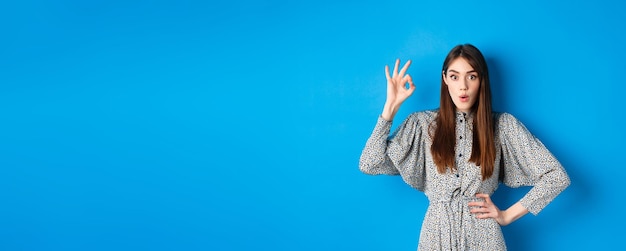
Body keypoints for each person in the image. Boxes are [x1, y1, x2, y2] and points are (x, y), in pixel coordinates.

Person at [359, 44, 570, 250]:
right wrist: (390, 109)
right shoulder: (421, 125)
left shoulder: (503, 126)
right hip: (436, 236)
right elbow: (369, 163)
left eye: (472, 76)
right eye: (454, 76)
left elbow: (556, 176)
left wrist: (507, 215)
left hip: (484, 237)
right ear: (444, 79)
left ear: (481, 80)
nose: (463, 86)